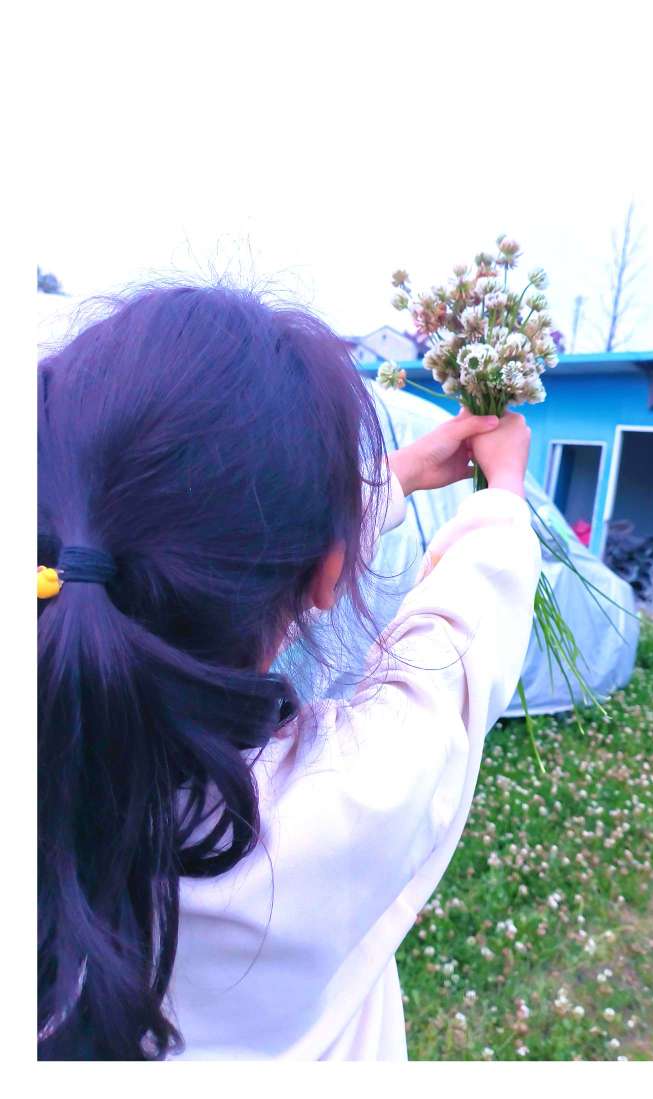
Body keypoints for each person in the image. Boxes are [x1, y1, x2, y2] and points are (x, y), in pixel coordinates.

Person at [37, 284, 540, 1060]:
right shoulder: (320, 816)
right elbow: (454, 659)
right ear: (327, 570)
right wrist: (501, 499)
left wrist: (390, 478)